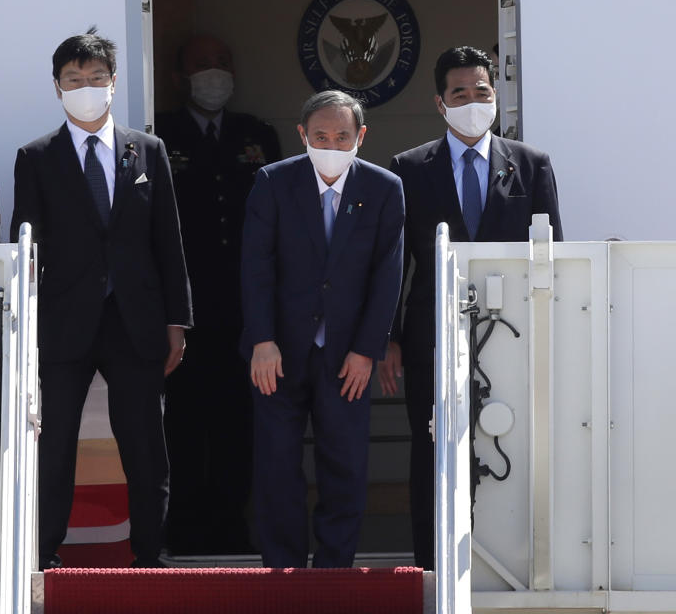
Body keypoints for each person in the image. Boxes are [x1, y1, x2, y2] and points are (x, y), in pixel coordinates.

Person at [9, 28, 192, 570]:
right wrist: (26, 326)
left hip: (136, 321)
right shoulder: (36, 156)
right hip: (62, 324)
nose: (84, 87)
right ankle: (43, 555)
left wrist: (177, 320)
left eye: (94, 78)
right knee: (54, 441)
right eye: (73, 80)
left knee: (144, 445)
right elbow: (25, 244)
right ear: (57, 88)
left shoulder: (147, 150)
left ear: (113, 83)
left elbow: (169, 240)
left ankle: (149, 552)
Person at [378, 45, 563, 570]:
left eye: (481, 91)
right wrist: (388, 337)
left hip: (513, 335)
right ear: (441, 104)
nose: (472, 101)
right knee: (433, 450)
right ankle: (433, 569)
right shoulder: (409, 168)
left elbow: (553, 256)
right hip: (431, 336)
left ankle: (510, 566)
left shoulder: (531, 164)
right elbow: (396, 262)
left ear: (495, 96)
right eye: (460, 93)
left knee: (513, 444)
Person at [241, 90, 404, 568]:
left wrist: (366, 349)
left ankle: (335, 568)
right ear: (302, 136)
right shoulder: (273, 182)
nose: (331, 144)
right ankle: (283, 568)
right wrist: (262, 340)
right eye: (320, 136)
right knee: (276, 464)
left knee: (345, 464)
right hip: (279, 351)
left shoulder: (383, 187)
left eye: (342, 136)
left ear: (361, 137)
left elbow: (387, 273)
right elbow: (256, 266)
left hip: (347, 355)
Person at [155, 34, 281, 555]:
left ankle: (232, 526)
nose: (215, 73)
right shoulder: (160, 132)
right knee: (183, 423)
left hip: (242, 308)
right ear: (180, 76)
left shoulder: (257, 134)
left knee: (237, 423)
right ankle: (182, 529)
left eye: (223, 62)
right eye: (202, 64)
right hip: (183, 309)